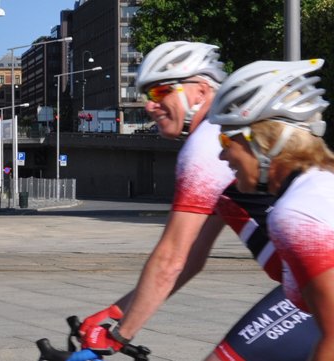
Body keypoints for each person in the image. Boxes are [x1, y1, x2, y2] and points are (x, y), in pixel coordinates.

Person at [74, 41, 320, 361]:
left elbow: (171, 257)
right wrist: (117, 312)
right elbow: (190, 258)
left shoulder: (207, 144)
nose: (149, 105)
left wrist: (120, 335)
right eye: (147, 95)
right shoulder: (226, 142)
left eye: (160, 92)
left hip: (313, 285)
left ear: (201, 91)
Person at [209, 59, 333, 360]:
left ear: (265, 141)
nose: (222, 153)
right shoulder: (321, 186)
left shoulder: (296, 214)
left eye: (227, 138)